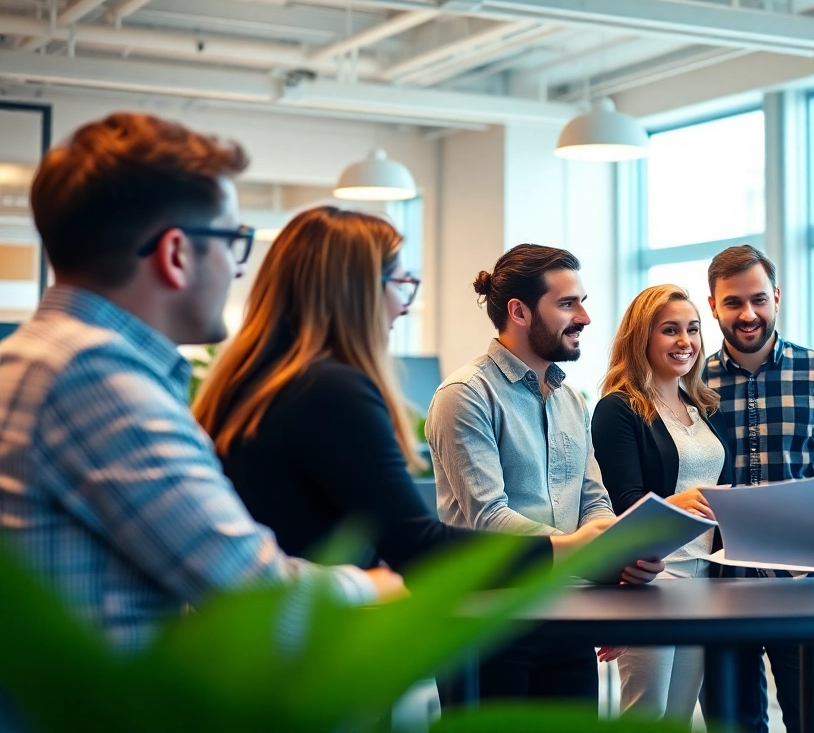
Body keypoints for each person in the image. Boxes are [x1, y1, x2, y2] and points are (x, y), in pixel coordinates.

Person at [0, 113, 402, 656]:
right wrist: (379, 583)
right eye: (233, 240)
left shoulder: (30, 358)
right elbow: (254, 598)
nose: (240, 269)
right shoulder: (97, 378)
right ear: (175, 254)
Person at [192, 207, 615, 585]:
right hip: (311, 644)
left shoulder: (255, 384)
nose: (404, 305)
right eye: (400, 283)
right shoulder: (330, 390)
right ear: (355, 290)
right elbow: (415, 543)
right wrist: (574, 549)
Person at [427, 244, 659, 706]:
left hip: (569, 619)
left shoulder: (572, 400)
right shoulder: (465, 396)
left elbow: (593, 501)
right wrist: (595, 557)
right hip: (487, 626)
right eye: (568, 303)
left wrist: (618, 565)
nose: (586, 318)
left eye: (583, 302)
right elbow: (489, 519)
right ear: (519, 311)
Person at [699, 245, 814, 733]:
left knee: (813, 717)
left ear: (776, 297)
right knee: (731, 720)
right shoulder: (692, 381)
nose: (747, 314)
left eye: (758, 300)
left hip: (803, 582)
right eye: (732, 303)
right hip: (718, 585)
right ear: (713, 306)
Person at [592, 284, 734, 725]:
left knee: (679, 716)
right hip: (652, 579)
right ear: (641, 338)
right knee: (645, 716)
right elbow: (623, 504)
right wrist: (680, 503)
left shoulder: (704, 407)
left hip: (704, 576)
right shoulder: (618, 409)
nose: (685, 341)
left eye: (692, 329)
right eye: (669, 330)